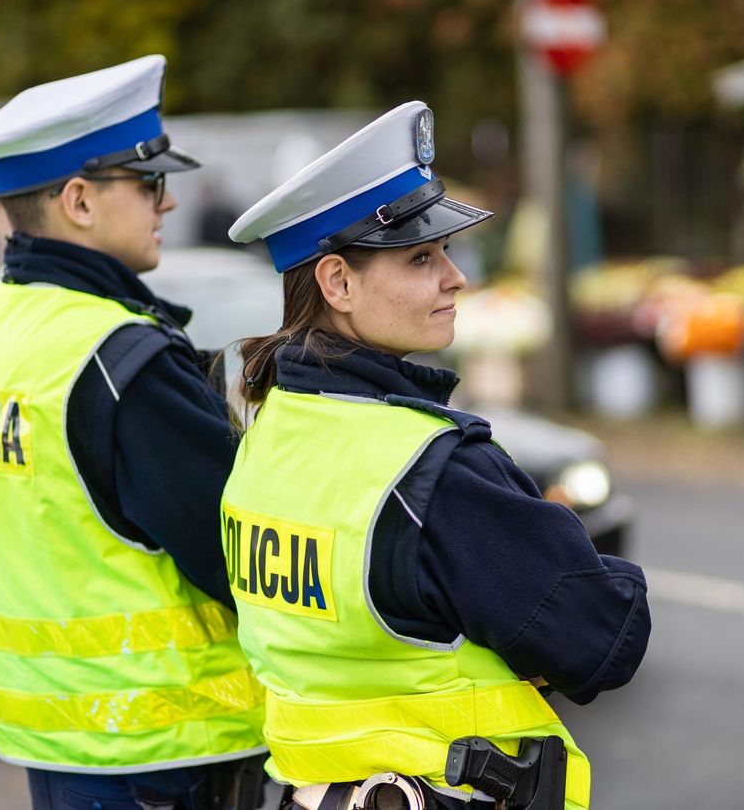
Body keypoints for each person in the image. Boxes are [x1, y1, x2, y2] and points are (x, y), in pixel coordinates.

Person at [222, 101, 651, 810]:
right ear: (337, 283)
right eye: (422, 257)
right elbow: (601, 636)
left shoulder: (268, 429)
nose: (455, 278)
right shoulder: (432, 469)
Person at [0, 56, 266, 809]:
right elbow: (240, 556)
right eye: (150, 182)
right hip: (170, 753)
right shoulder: (121, 360)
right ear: (79, 202)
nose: (168, 203)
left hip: (55, 741)